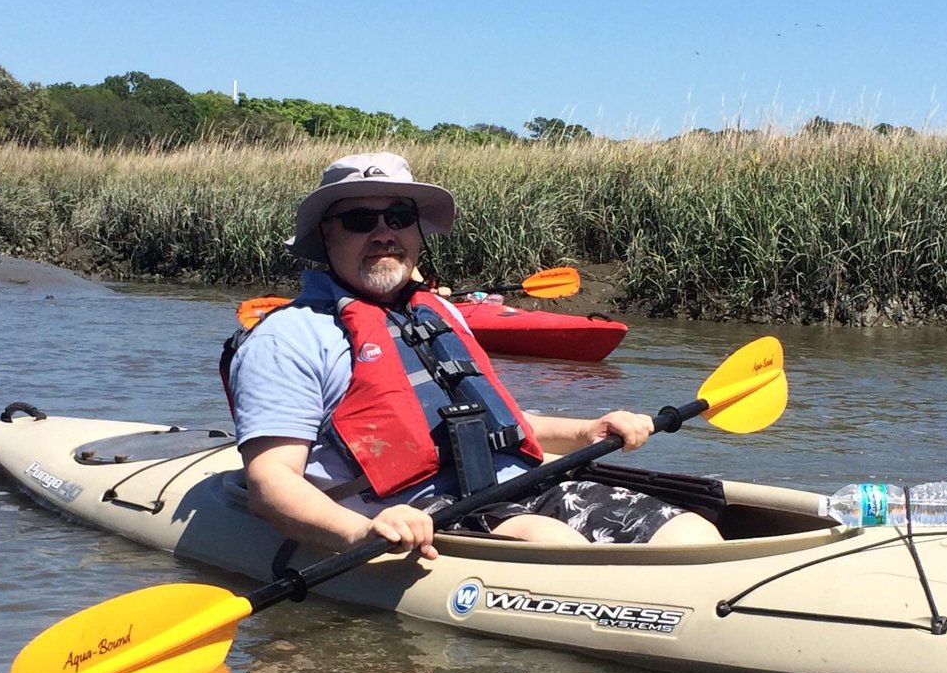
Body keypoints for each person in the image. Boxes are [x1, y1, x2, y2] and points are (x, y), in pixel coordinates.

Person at [228, 152, 722, 561]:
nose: (383, 233)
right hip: (417, 511)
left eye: (398, 218)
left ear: (417, 233)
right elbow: (270, 481)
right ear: (325, 236)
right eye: (360, 220)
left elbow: (490, 421)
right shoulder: (286, 338)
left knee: (693, 534)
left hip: (523, 486)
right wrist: (360, 532)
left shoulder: (439, 314)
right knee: (557, 545)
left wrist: (586, 430)